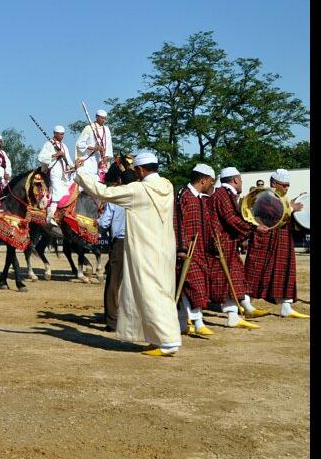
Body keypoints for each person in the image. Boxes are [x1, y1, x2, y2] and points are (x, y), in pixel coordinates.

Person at [74, 152, 181, 357]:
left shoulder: (138, 191)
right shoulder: (168, 186)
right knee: (160, 292)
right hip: (164, 249)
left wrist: (80, 172)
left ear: (141, 170)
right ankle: (157, 338)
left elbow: (102, 192)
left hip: (146, 250)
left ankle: (168, 341)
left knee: (152, 294)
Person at [244, 169, 309, 318]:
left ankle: (286, 306)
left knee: (284, 271)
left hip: (283, 239)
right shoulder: (265, 196)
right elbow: (274, 213)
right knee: (256, 271)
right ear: (274, 183)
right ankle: (246, 304)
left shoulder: (283, 198)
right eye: (283, 185)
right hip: (265, 239)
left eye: (288, 185)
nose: (286, 188)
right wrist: (292, 208)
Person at [209, 167, 271, 320]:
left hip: (228, 242)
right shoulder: (222, 195)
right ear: (235, 180)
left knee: (236, 275)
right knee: (226, 279)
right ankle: (232, 316)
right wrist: (254, 228)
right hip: (222, 243)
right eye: (241, 179)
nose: (241, 182)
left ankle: (246, 307)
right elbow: (230, 218)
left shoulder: (226, 194)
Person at [173, 164, 219, 336]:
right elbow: (177, 222)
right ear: (203, 180)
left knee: (187, 286)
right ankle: (198, 322)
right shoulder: (182, 196)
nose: (213, 185)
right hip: (187, 250)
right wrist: (181, 247)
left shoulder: (201, 198)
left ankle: (182, 323)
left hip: (200, 250)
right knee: (194, 284)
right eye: (211, 182)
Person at [97, 165, 135, 331]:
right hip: (139, 243)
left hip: (120, 242)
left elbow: (104, 223)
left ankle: (112, 321)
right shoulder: (143, 196)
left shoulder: (115, 198)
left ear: (120, 181)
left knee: (113, 281)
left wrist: (97, 223)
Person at [38, 125, 75, 223]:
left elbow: (69, 161)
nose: (63, 136)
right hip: (54, 171)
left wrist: (73, 167)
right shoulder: (49, 144)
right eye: (61, 134)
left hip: (64, 174)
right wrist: (55, 155)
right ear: (55, 134)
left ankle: (63, 214)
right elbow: (41, 158)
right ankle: (50, 216)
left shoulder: (64, 146)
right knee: (56, 191)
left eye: (63, 134)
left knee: (67, 191)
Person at [75, 109, 113, 181]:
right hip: (89, 160)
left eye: (105, 118)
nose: (103, 120)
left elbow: (109, 145)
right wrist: (94, 148)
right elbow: (79, 144)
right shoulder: (89, 128)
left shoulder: (106, 129)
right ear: (97, 117)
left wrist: (106, 157)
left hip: (100, 160)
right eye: (102, 118)